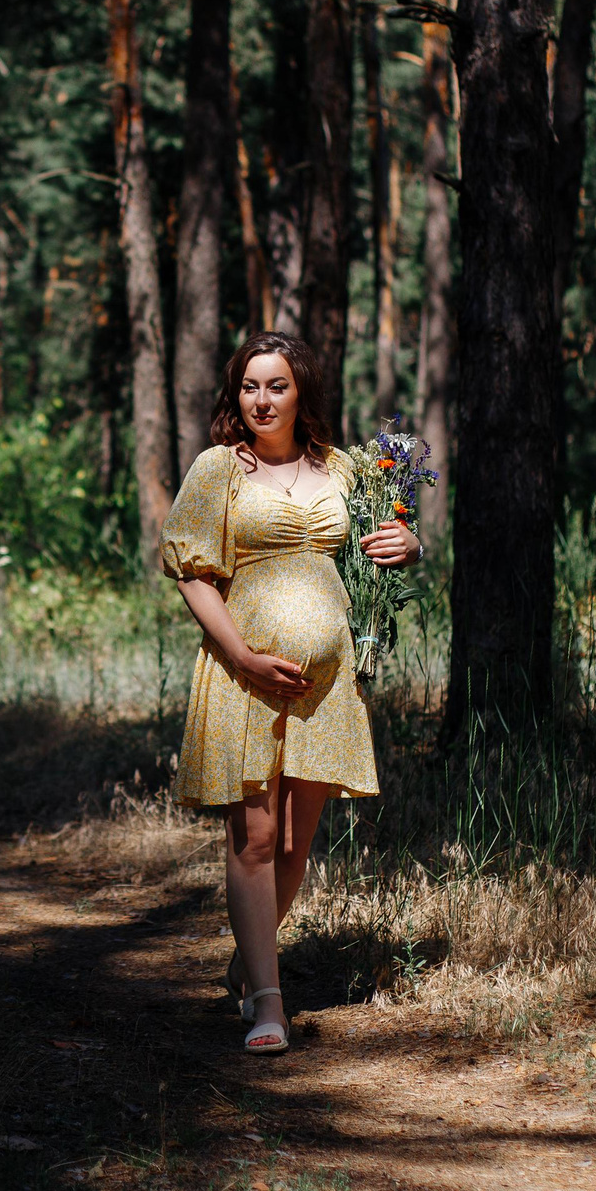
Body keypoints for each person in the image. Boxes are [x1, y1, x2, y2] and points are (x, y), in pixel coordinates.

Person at [159, 331, 422, 1054]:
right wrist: (241, 652)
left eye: (275, 385)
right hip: (245, 673)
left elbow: (390, 537)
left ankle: (248, 964)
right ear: (234, 395)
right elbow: (190, 569)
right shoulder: (219, 469)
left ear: (300, 389)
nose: (261, 399)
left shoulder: (342, 468)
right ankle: (269, 1001)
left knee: (298, 840)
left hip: (324, 685)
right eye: (249, 386)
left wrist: (412, 544)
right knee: (256, 835)